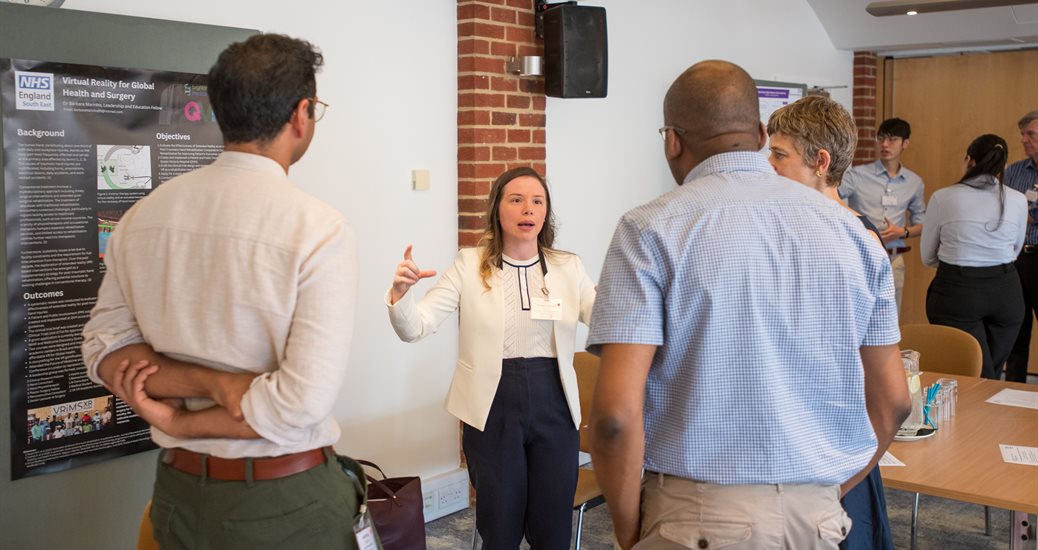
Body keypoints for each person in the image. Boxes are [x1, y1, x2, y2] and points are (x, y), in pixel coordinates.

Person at [586, 60, 911, 550]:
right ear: (761, 134)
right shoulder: (853, 235)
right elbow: (895, 402)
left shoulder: (650, 228)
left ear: (672, 141)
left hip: (693, 515)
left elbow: (614, 417)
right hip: (821, 520)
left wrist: (629, 530)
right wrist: (824, 491)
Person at [81, 34, 364, 549]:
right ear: (302, 115)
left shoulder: (144, 216)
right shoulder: (319, 229)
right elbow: (299, 405)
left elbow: (103, 349)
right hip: (285, 502)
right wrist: (216, 388)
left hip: (178, 492)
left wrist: (178, 419)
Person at [386, 167, 595, 549]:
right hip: (491, 406)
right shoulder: (469, 264)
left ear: (546, 213)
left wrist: (622, 293)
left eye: (537, 201)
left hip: (555, 405)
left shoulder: (568, 267)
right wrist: (402, 294)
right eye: (515, 200)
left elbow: (601, 318)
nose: (527, 209)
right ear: (497, 209)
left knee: (551, 531)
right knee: (500, 528)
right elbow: (416, 326)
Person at [766, 95, 894, 550]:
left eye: (779, 155)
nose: (769, 165)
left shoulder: (859, 240)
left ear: (821, 162)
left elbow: (887, 393)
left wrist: (844, 481)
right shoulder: (779, 229)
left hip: (839, 441)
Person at [921, 134, 1027, 380]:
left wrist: (959, 257)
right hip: (1006, 292)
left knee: (972, 373)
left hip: (957, 291)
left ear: (969, 160)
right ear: (1003, 165)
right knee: (988, 372)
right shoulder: (1018, 199)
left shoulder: (943, 197)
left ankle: (976, 413)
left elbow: (928, 256)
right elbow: (1015, 249)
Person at [840, 117, 927, 314]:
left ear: (905, 143)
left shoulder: (914, 182)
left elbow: (921, 223)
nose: (885, 145)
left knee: (889, 316)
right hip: (858, 256)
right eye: (881, 139)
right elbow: (829, 198)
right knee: (854, 313)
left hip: (893, 259)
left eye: (893, 139)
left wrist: (902, 232)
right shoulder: (857, 175)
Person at [1005, 110, 1038, 382]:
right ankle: (1015, 387)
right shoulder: (1014, 171)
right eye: (1023, 134)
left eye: (1031, 134)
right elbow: (1003, 210)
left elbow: (1023, 216)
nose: (1024, 140)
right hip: (1018, 259)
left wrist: (1029, 216)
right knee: (1018, 329)